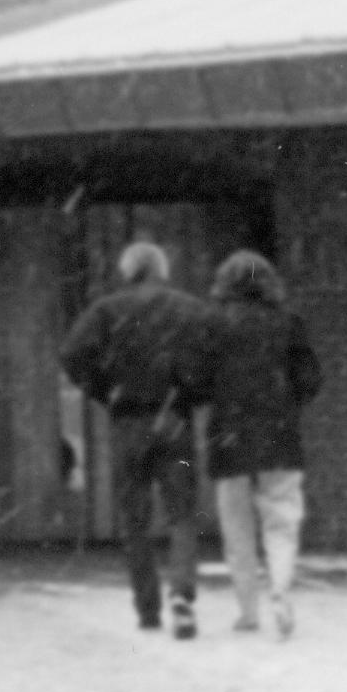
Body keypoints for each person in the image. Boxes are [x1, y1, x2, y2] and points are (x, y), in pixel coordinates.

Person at [57, 239, 220, 638]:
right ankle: (181, 594)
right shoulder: (189, 309)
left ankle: (146, 608)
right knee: (183, 514)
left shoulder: (107, 310)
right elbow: (215, 356)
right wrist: (191, 392)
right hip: (175, 422)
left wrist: (104, 390)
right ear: (161, 269)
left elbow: (71, 355)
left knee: (134, 520)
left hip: (128, 423)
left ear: (128, 270)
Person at [203, 249, 321, 640]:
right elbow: (310, 379)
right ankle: (281, 590)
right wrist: (286, 402)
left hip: (229, 433)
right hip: (279, 431)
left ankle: (247, 611)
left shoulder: (213, 323)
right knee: (282, 518)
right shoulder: (289, 322)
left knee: (236, 525)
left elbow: (195, 376)